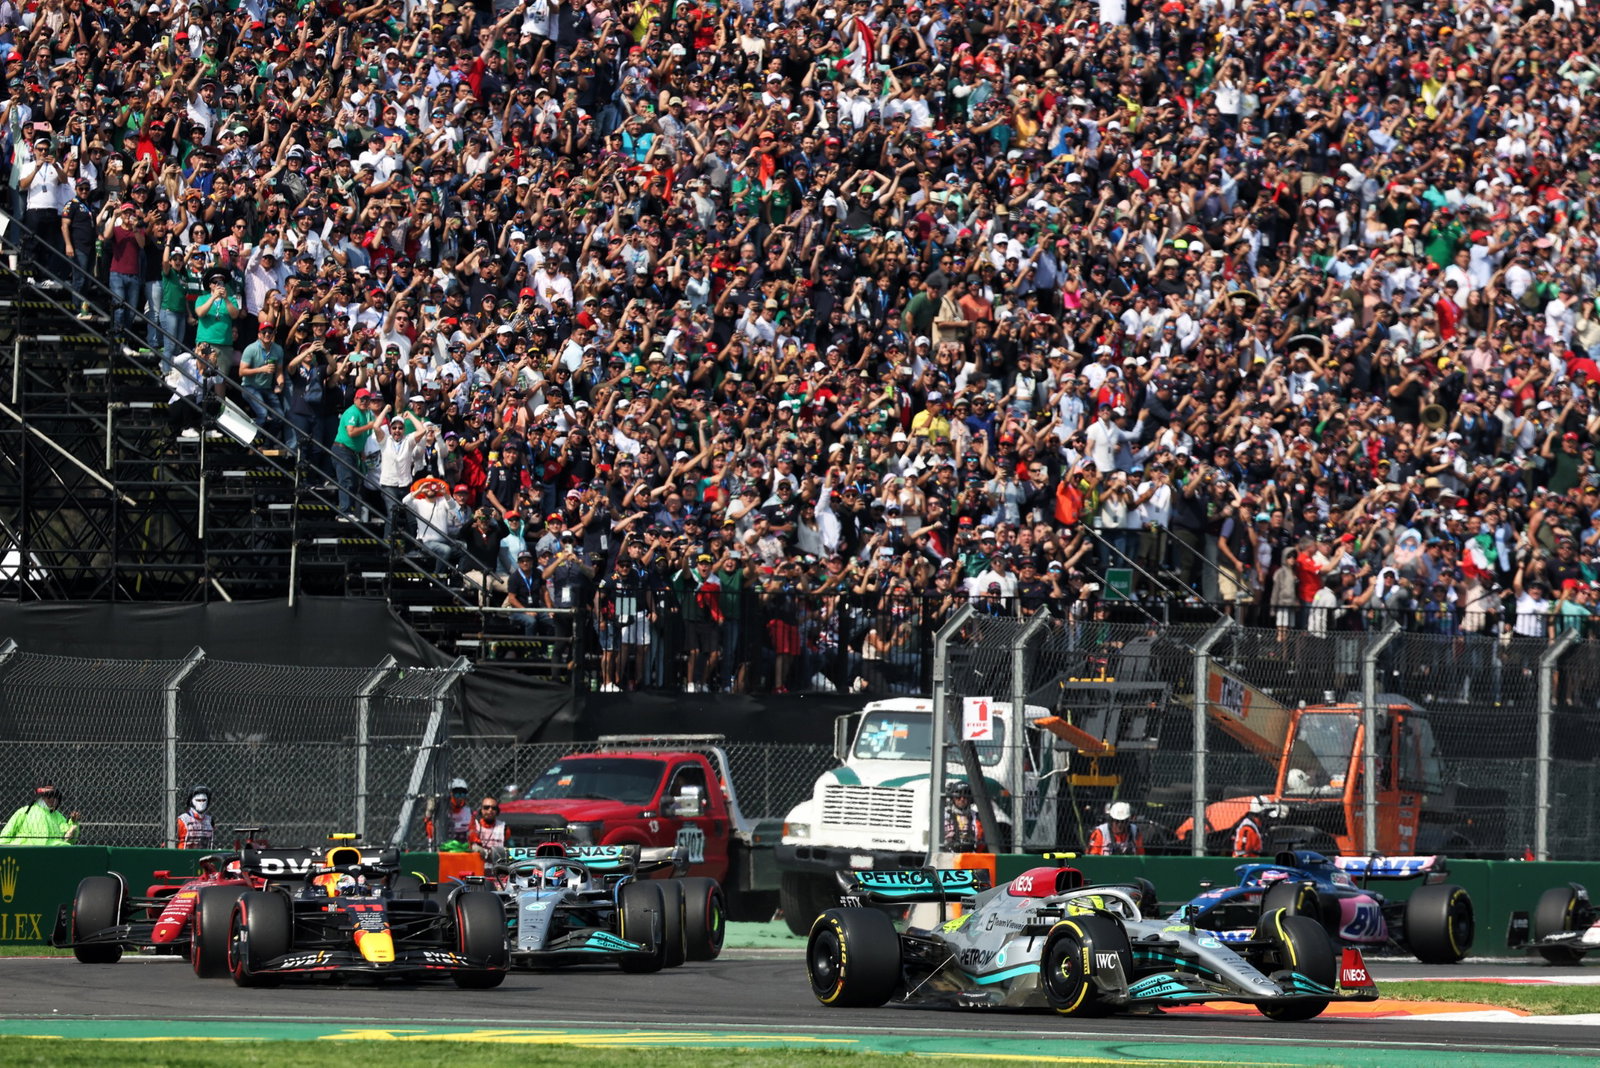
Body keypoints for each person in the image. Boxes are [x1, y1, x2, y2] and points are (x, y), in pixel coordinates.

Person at [0, 784, 80, 845]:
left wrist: (73, 823)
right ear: (41, 796)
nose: (52, 799)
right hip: (26, 850)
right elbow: (7, 833)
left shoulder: (58, 816)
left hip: (53, 852)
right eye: (49, 795)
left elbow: (69, 840)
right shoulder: (25, 811)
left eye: (55, 796)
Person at [424, 777, 474, 848]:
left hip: (463, 848)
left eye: (462, 794)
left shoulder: (468, 812)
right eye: (456, 794)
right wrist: (429, 813)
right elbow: (430, 832)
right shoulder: (441, 812)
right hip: (444, 848)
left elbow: (473, 832)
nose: (459, 798)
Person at [941, 780, 987, 853]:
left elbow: (982, 840)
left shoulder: (977, 816)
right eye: (958, 796)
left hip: (971, 855)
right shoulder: (943, 815)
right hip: (948, 854)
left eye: (965, 796)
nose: (962, 799)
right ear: (952, 798)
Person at [175, 784, 215, 850]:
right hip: (183, 854)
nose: (201, 803)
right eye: (198, 800)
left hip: (205, 855)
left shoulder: (210, 821)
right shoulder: (183, 820)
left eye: (204, 800)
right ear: (191, 801)